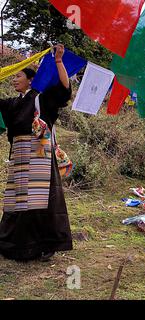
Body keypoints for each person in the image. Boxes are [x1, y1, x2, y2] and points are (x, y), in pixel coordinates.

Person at [0, 44, 73, 262]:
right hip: (20, 154)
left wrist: (59, 61)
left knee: (40, 200)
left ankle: (44, 245)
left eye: (18, 76)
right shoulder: (13, 103)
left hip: (39, 152)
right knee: (18, 200)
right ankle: (18, 244)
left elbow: (64, 90)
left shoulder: (42, 99)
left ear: (31, 80)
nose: (14, 80)